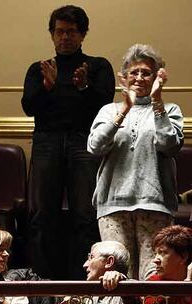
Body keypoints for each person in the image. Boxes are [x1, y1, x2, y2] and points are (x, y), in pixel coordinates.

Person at [21, 5, 115, 280]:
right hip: (47, 143)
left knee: (85, 215)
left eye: (71, 32)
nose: (65, 37)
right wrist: (47, 87)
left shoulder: (97, 66)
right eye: (59, 32)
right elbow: (29, 107)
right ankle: (40, 284)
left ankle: (83, 281)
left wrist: (84, 86)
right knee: (41, 215)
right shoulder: (39, 69)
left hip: (84, 142)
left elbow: (105, 105)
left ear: (83, 34)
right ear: (51, 35)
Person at [87, 44, 184, 280]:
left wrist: (157, 101)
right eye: (134, 72)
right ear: (124, 78)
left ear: (157, 77)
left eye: (146, 72)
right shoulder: (109, 110)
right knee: (116, 277)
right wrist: (124, 110)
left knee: (152, 276)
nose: (139, 77)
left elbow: (170, 145)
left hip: (154, 204)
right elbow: (95, 146)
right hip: (113, 205)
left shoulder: (170, 109)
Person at [143, 225, 192, 304]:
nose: (155, 260)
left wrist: (188, 284)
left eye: (163, 253)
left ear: (184, 257)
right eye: (156, 254)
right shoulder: (152, 284)